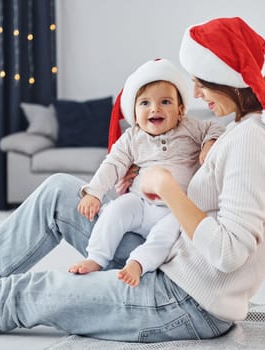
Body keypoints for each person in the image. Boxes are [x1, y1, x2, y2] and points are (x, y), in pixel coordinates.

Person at [0, 17, 265, 342]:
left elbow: (228, 253)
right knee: (59, 192)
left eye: (201, 82)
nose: (195, 92)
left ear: (226, 77)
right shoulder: (249, 129)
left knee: (27, 292)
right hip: (169, 260)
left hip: (185, 301)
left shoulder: (252, 142)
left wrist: (167, 188)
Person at [68, 58, 225, 287]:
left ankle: (138, 263)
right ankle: (96, 257)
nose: (155, 108)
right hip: (140, 204)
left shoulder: (190, 127)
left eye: (165, 101)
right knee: (115, 211)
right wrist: (94, 192)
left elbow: (217, 127)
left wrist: (210, 142)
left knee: (165, 238)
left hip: (175, 209)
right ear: (134, 112)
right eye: (145, 103)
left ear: (180, 110)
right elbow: (113, 164)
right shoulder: (132, 137)